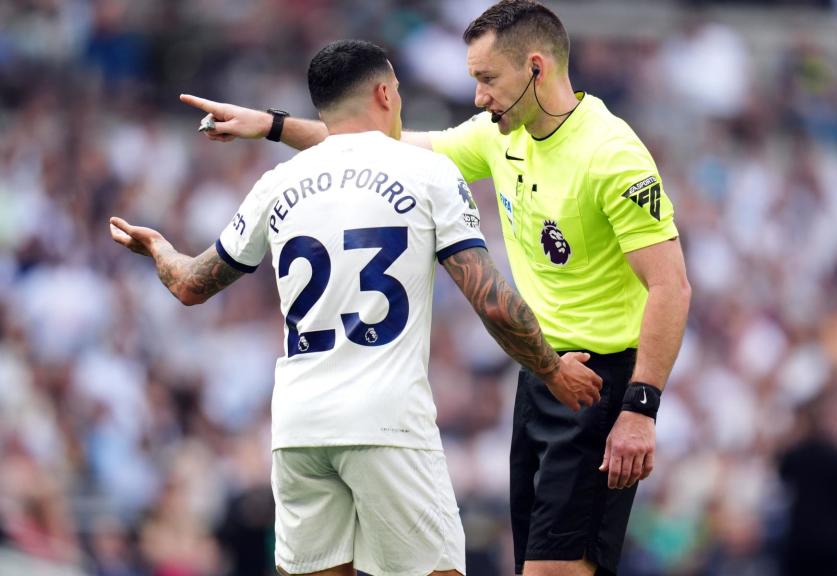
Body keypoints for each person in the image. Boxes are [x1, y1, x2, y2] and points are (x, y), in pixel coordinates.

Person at [181, 2, 692, 574]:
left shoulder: (612, 154)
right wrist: (272, 126)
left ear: (537, 67)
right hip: (543, 376)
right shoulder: (499, 136)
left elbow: (671, 286)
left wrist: (639, 408)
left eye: (487, 79)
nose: (477, 96)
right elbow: (375, 146)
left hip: (599, 383)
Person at [112, 39, 603, 576]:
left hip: (299, 429)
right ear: (385, 93)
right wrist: (552, 370)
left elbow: (189, 284)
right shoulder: (428, 174)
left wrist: (157, 249)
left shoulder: (277, 182)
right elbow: (492, 301)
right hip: (385, 423)